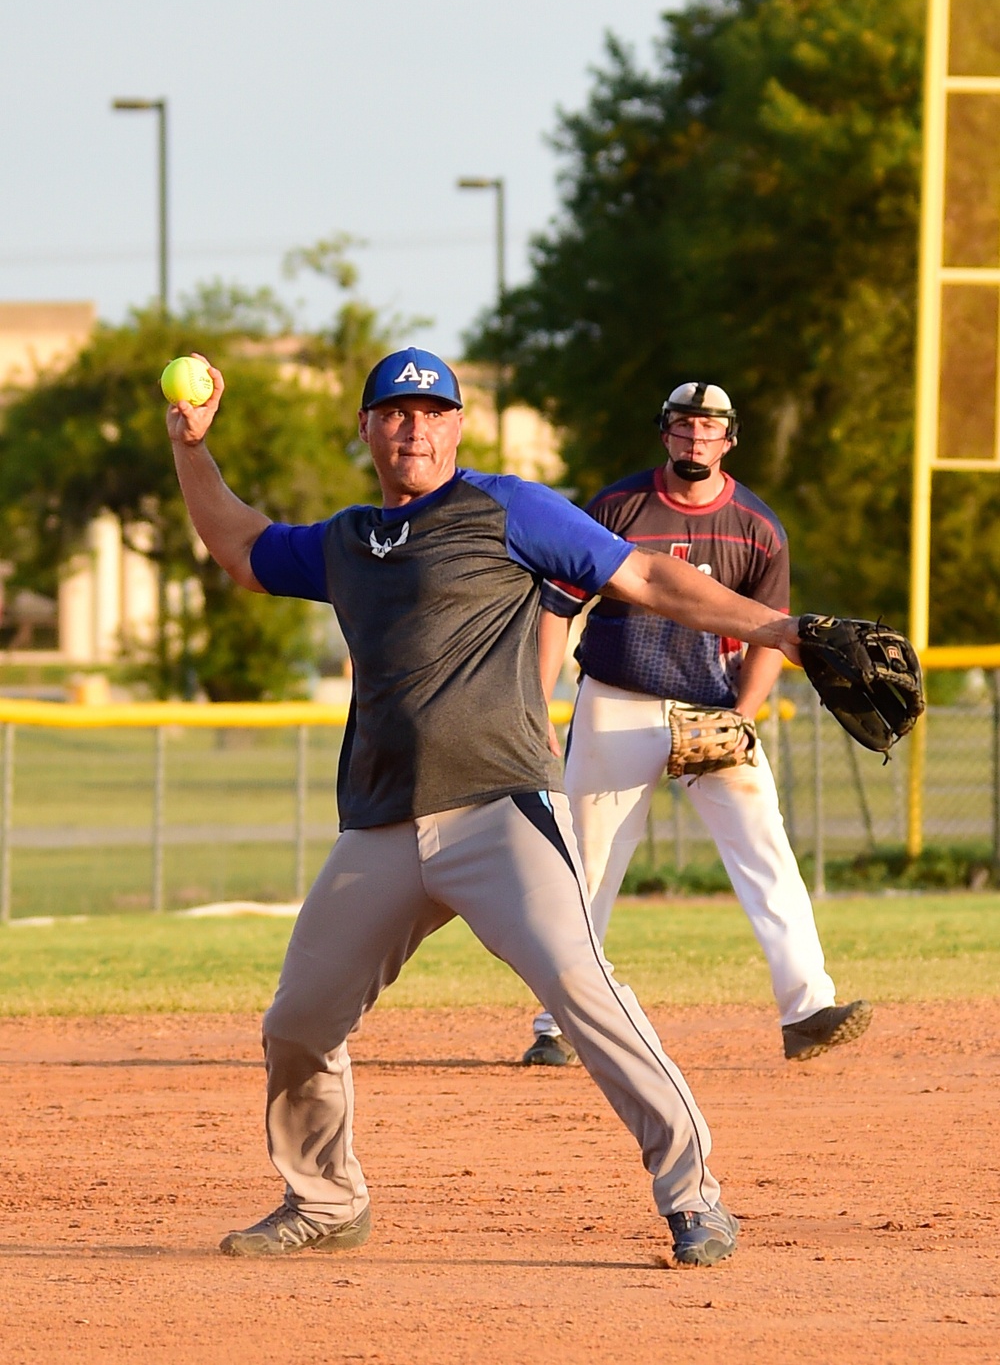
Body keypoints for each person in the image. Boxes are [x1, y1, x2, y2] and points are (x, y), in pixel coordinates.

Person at [166, 348, 802, 1269]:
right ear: (368, 430)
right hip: (382, 822)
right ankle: (327, 1198)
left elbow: (650, 580)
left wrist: (777, 629)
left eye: (431, 411)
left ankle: (694, 1195)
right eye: (393, 411)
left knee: (584, 996)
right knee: (298, 1023)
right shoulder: (346, 542)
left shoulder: (508, 508)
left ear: (457, 427)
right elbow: (241, 547)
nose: (412, 426)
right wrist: (191, 447)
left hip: (500, 811)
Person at [521, 382, 871, 1070]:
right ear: (665, 434)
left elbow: (771, 634)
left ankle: (806, 1009)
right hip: (616, 699)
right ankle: (556, 1022)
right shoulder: (618, 506)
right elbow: (559, 606)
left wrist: (743, 716)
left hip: (712, 706)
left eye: (709, 427)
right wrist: (535, 702)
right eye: (683, 425)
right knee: (586, 865)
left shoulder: (757, 526)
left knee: (765, 849)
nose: (695, 437)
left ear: (729, 439)